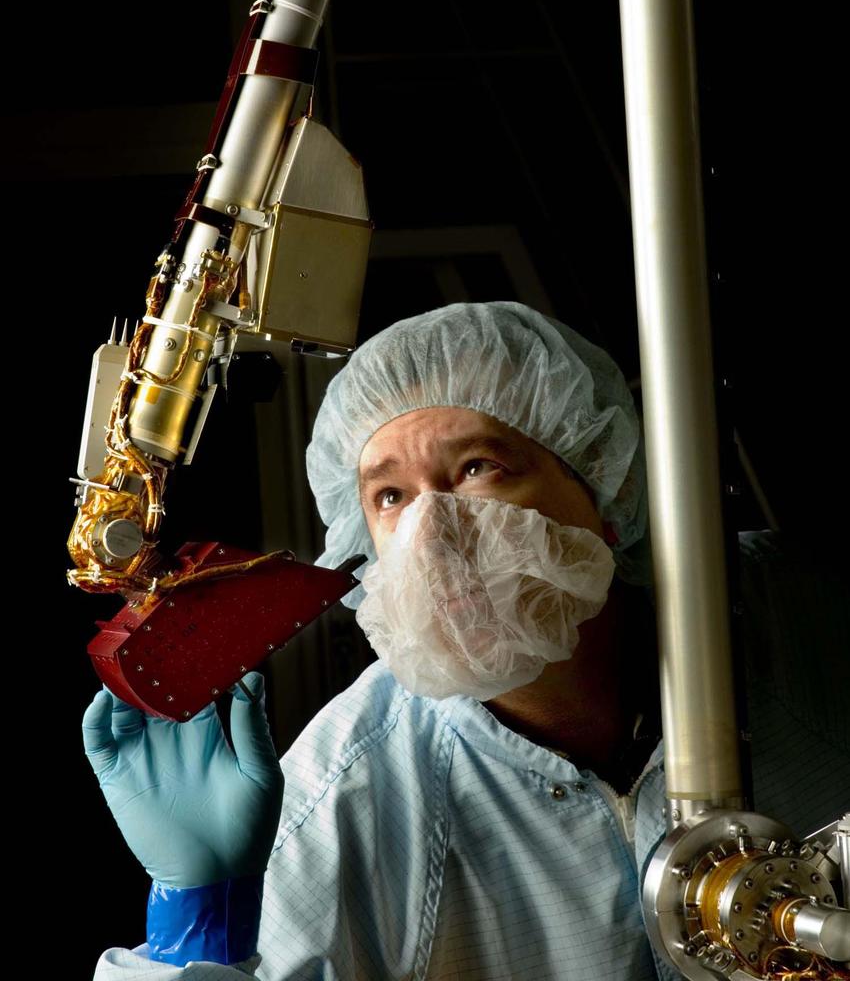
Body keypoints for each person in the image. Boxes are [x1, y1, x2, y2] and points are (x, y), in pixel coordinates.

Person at [84, 301, 848, 980]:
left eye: (478, 468)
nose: (434, 535)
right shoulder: (350, 787)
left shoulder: (791, 615)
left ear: (605, 489)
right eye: (390, 497)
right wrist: (196, 921)